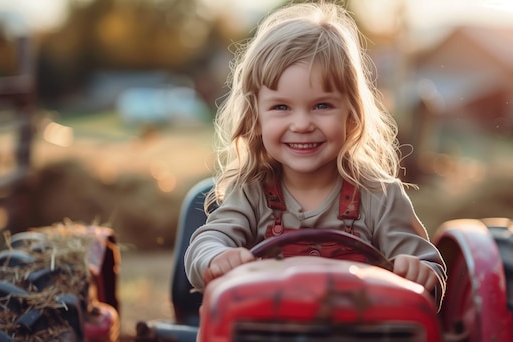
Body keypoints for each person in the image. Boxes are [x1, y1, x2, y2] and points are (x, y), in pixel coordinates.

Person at [184, 1, 446, 307]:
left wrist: (421, 271)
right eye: (281, 107)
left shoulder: (381, 196)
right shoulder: (250, 191)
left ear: (352, 114)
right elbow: (206, 243)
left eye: (321, 106)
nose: (302, 124)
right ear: (256, 117)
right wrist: (218, 256)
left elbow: (428, 268)